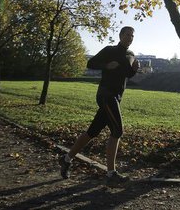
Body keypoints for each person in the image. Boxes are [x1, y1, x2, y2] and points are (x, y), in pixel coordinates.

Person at [58, 26, 139, 186]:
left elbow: (127, 74)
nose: (130, 38)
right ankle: (111, 174)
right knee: (117, 130)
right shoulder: (110, 50)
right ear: (120, 35)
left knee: (92, 132)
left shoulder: (130, 55)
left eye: (132, 36)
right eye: (127, 34)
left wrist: (134, 70)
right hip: (106, 95)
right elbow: (91, 63)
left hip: (116, 96)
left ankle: (66, 159)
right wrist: (106, 66)